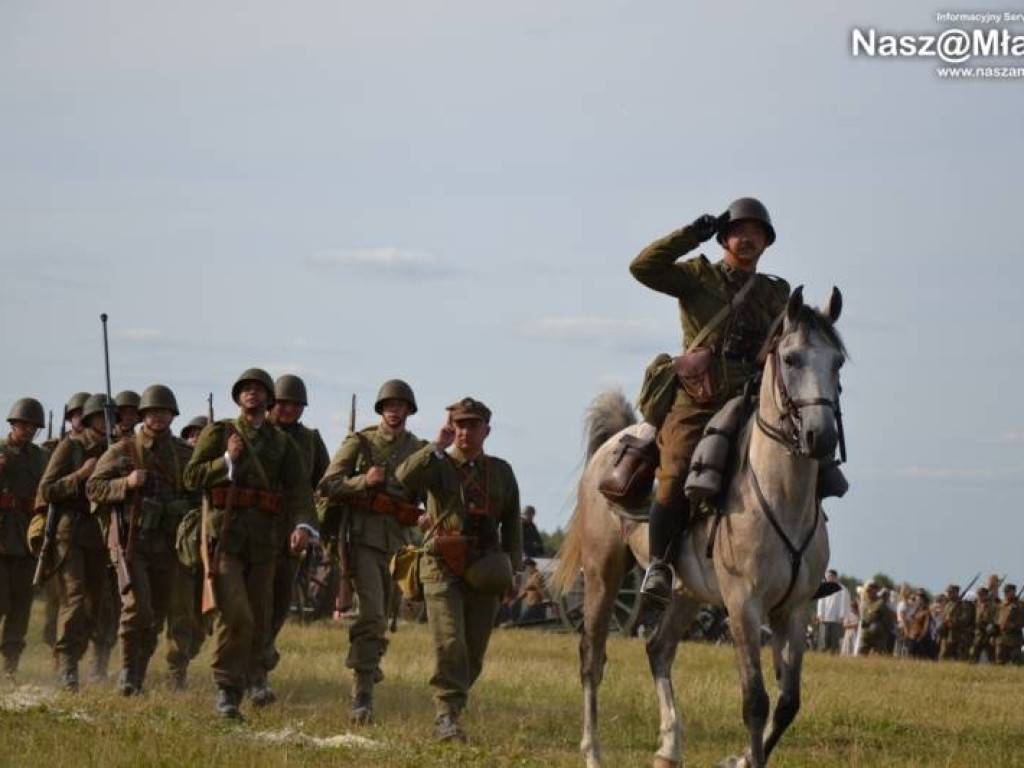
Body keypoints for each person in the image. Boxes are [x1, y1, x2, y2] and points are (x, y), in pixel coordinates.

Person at [629, 198, 791, 612]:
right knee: (678, 466)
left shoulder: (776, 292)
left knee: (802, 458)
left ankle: (801, 565)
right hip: (698, 396)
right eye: (739, 230)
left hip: (751, 397)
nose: (748, 238)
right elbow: (642, 268)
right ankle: (660, 564)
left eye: (757, 232)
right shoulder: (698, 277)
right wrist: (690, 234)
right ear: (723, 238)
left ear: (767, 243)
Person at [183, 368, 315, 718]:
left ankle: (248, 684)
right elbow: (191, 477)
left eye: (259, 390)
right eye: (246, 389)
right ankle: (226, 689)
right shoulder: (220, 432)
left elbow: (301, 491)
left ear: (268, 399)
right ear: (238, 397)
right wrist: (226, 459)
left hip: (265, 542)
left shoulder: (282, 444)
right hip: (226, 537)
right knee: (236, 613)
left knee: (259, 618)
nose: (252, 394)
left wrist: (302, 525)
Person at [396, 397, 522, 742]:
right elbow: (403, 478)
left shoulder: (501, 471)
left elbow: (512, 525)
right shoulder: (437, 463)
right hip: (440, 564)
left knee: (474, 652)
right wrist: (436, 445)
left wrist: (514, 572)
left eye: (473, 426)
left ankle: (453, 704)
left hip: (485, 566)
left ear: (487, 430)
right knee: (450, 642)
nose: (465, 432)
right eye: (460, 425)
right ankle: (446, 715)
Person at [319, 378, 425, 724]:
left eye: (401, 406)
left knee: (387, 618)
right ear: (381, 409)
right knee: (373, 617)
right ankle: (362, 694)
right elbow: (328, 485)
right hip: (363, 540)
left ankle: (369, 663)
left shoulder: (418, 449)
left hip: (401, 545)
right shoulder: (360, 442)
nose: (395, 411)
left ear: (409, 410)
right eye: (389, 406)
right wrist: (364, 481)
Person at [86, 384, 196, 695]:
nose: (158, 417)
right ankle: (127, 676)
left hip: (169, 545)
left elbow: (198, 493)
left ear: (172, 415)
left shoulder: (184, 453)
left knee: (157, 615)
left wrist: (183, 506)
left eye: (163, 411)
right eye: (151, 412)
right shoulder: (123, 450)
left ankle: (139, 674)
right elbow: (93, 488)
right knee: (137, 609)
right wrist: (127, 482)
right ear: (142, 416)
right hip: (133, 543)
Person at [35, 393, 111, 691]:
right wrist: (80, 475)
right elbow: (47, 489)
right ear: (89, 419)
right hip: (72, 532)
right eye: (98, 417)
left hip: (102, 535)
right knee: (74, 599)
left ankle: (75, 659)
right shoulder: (71, 447)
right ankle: (67, 667)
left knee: (95, 605)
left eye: (109, 418)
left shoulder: (116, 449)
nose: (104, 423)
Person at [263, 374, 330, 697]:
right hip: (254, 527)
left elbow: (322, 484)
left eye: (295, 404)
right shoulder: (254, 434)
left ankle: (260, 661)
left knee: (278, 603)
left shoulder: (311, 441)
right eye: (282, 403)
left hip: (292, 531)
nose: (288, 409)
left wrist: (309, 525)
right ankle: (253, 674)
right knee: (252, 605)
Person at [0, 398, 50, 679]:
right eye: (24, 424)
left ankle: (10, 668)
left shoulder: (41, 457)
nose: (28, 429)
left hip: (28, 538)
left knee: (21, 606)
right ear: (13, 423)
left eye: (33, 426)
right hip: (1, 536)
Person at [814, 569, 850, 654]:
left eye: (829, 576)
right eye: (827, 576)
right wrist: (820, 614)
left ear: (835, 577)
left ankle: (834, 653)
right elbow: (821, 601)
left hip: (836, 619)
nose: (828, 578)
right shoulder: (824, 587)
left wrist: (842, 616)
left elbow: (844, 603)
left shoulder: (842, 589)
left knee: (834, 639)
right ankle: (823, 653)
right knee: (823, 638)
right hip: (825, 618)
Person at [937, 583, 974, 661]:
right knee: (943, 657)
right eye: (948, 592)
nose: (948, 594)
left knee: (961, 659)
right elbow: (943, 618)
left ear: (956, 592)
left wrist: (953, 620)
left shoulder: (964, 604)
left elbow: (966, 619)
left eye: (950, 592)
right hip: (947, 635)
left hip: (960, 636)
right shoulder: (947, 604)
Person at [857, 581, 894, 656]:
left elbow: (888, 620)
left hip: (878, 635)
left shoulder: (881, 603)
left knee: (880, 655)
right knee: (861, 653)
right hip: (866, 634)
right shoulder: (864, 604)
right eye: (867, 591)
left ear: (876, 591)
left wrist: (886, 631)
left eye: (871, 590)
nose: (869, 593)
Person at [995, 583, 1023, 666]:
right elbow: (997, 618)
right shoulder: (1002, 604)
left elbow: (1021, 622)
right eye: (1004, 592)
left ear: (1014, 592)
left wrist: (1012, 625)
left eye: (1007, 592)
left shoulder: (1020, 605)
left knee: (1017, 662)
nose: (1005, 594)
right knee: (1000, 661)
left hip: (1014, 639)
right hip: (1001, 637)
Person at [969, 586, 998, 664]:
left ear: (986, 595)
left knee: (991, 655)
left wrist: (993, 635)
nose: (979, 596)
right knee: (974, 654)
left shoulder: (992, 606)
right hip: (978, 633)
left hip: (988, 633)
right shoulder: (976, 605)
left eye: (982, 594)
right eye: (978, 594)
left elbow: (995, 621)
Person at [516, 558, 548, 625]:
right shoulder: (530, 577)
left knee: (520, 623)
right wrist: (518, 598)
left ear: (530, 566)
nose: (525, 570)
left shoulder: (537, 576)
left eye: (525, 567)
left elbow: (540, 588)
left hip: (535, 606)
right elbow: (527, 591)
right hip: (532, 605)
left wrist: (545, 599)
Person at [905, 589, 935, 659]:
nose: (918, 600)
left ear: (924, 600)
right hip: (912, 637)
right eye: (917, 597)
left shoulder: (926, 612)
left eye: (921, 598)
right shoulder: (914, 611)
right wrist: (908, 634)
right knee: (910, 656)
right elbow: (910, 622)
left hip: (921, 639)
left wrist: (920, 638)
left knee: (921, 657)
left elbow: (926, 627)